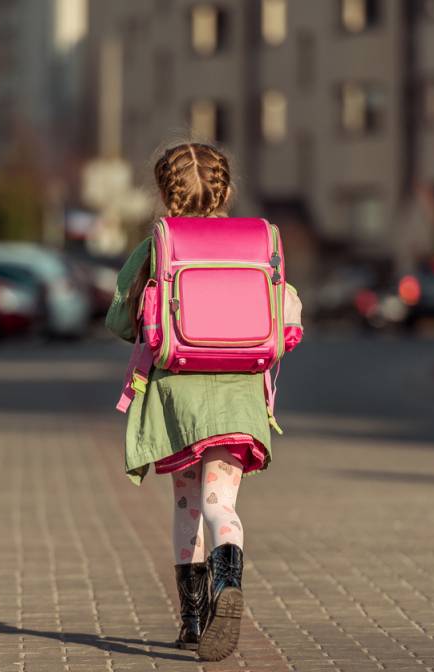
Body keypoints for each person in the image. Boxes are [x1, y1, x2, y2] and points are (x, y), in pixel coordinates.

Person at [105, 142, 303, 661]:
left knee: (187, 505)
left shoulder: (159, 245)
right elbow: (287, 321)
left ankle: (192, 619)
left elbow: (122, 318)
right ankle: (229, 582)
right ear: (226, 191)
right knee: (222, 505)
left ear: (165, 193)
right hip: (239, 396)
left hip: (179, 396)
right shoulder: (259, 243)